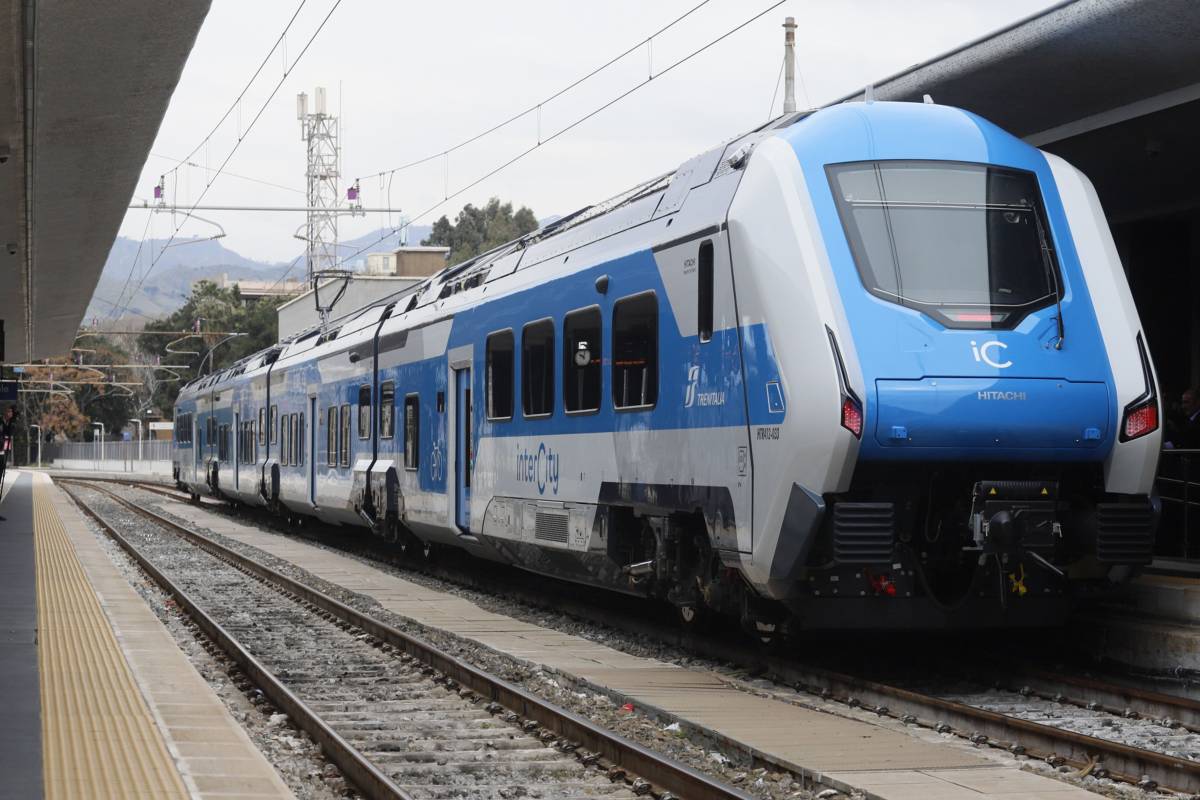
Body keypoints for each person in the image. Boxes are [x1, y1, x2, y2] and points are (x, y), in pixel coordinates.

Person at [0, 405, 16, 520]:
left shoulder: (6, 423)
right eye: (9, 411)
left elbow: (9, 433)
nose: (10, 413)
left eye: (11, 412)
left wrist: (12, 422)